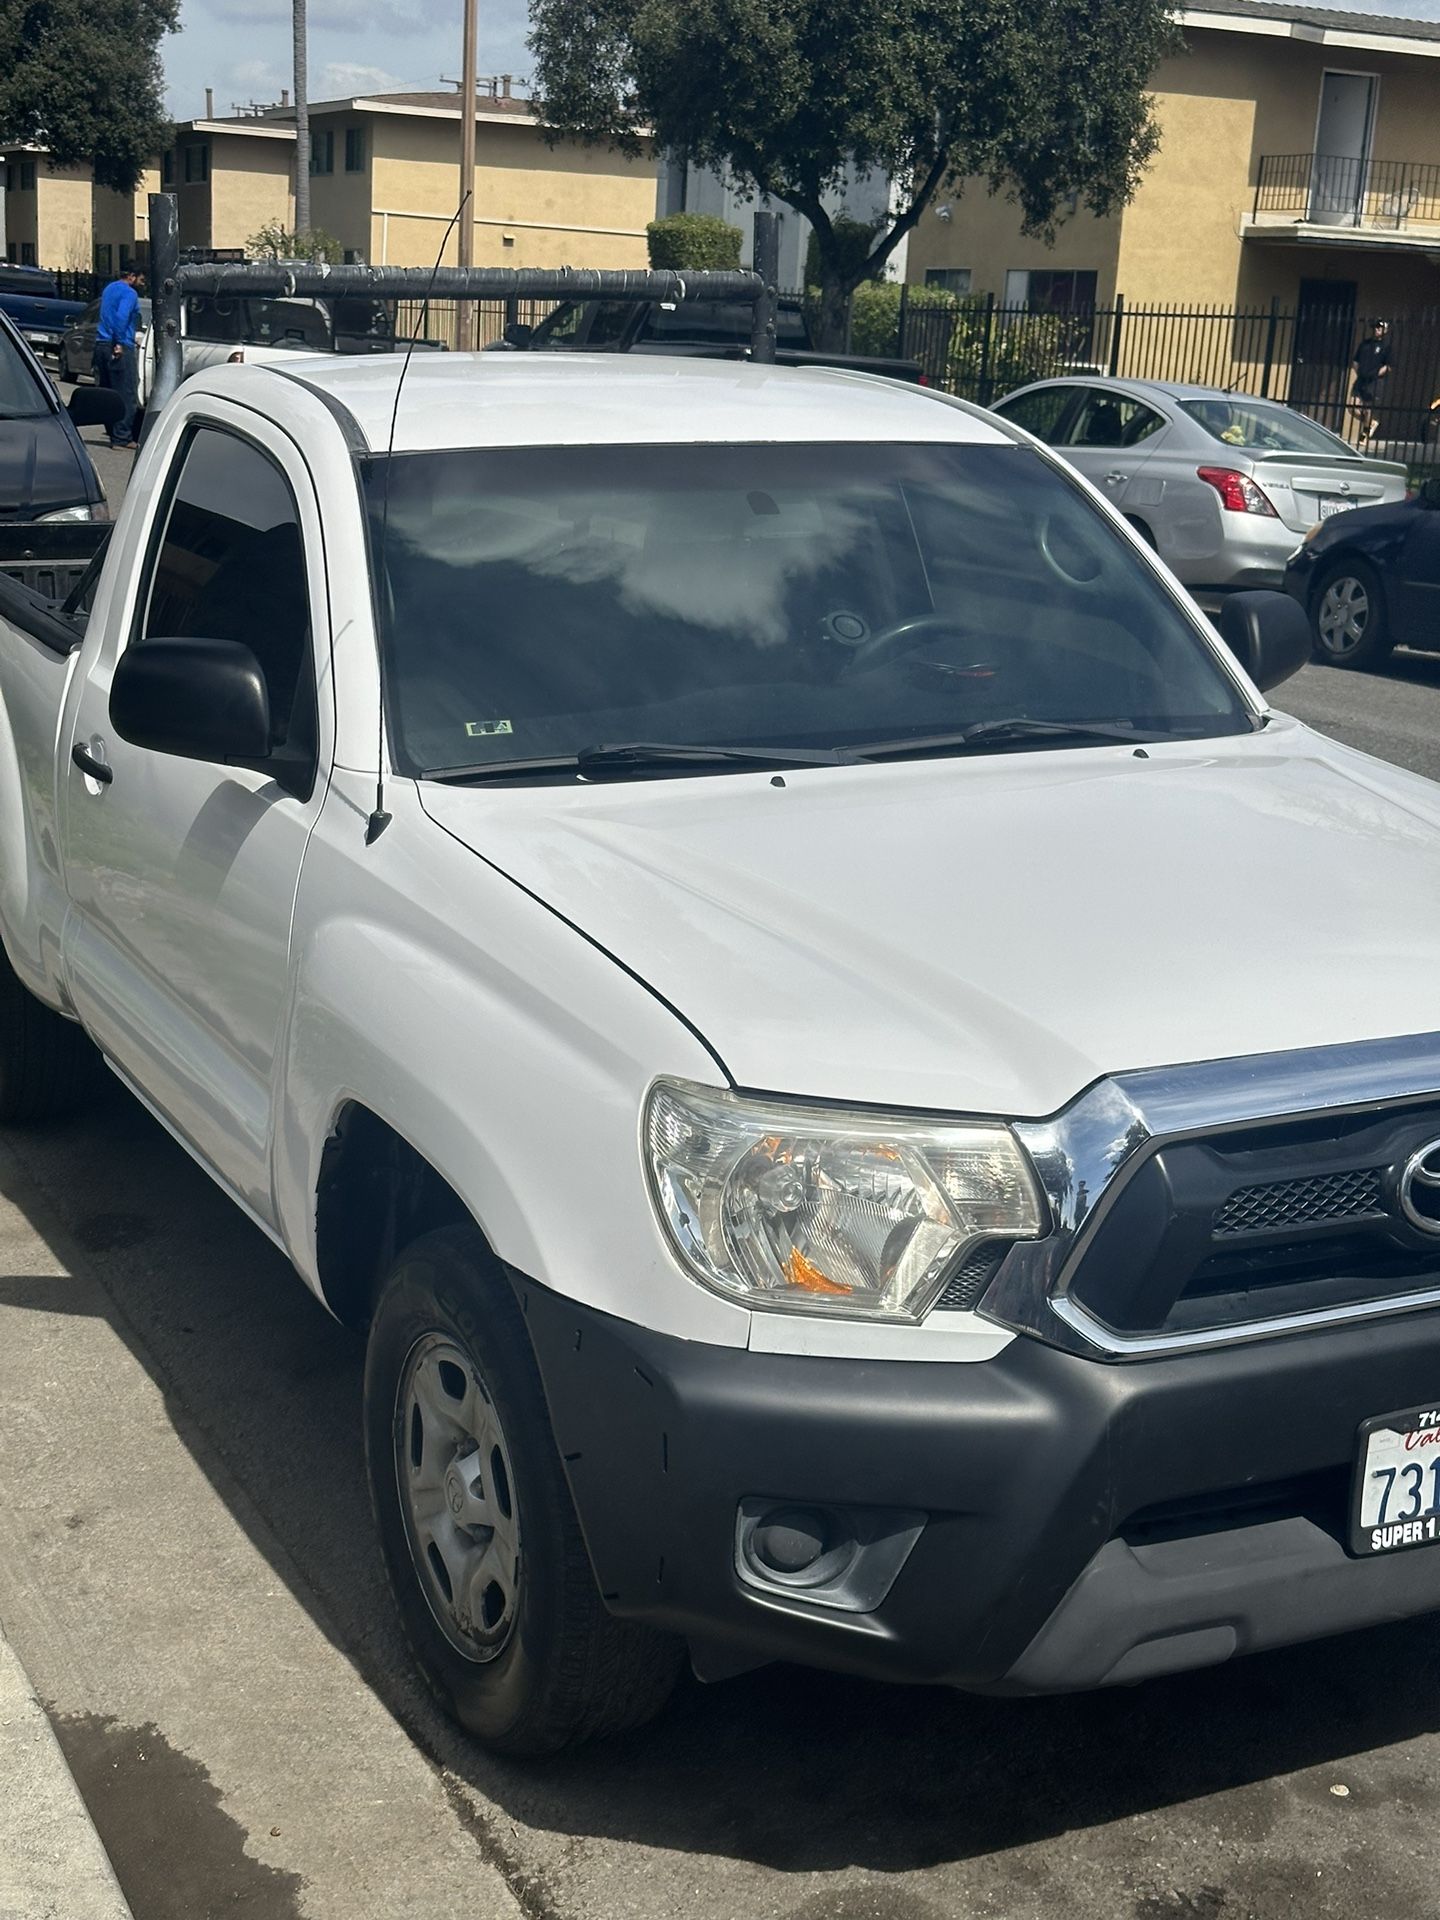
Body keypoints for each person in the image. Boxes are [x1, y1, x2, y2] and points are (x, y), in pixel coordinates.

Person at [94, 265, 142, 449]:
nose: (141, 283)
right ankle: (122, 437)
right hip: (118, 345)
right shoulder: (130, 294)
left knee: (109, 393)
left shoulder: (109, 289)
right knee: (126, 393)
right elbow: (122, 317)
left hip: (101, 344)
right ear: (131, 276)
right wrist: (120, 342)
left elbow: (107, 314)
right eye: (141, 279)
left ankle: (113, 431)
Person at [1350, 318, 1392, 442]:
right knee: (1351, 406)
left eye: (1380, 327)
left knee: (1368, 408)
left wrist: (1376, 374)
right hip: (1361, 379)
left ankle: (1364, 434)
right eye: (1375, 327)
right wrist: (1359, 372)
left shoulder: (1386, 347)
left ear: (1385, 330)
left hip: (1374, 382)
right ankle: (1371, 423)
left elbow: (1388, 366)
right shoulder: (1365, 344)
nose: (1377, 329)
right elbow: (1355, 361)